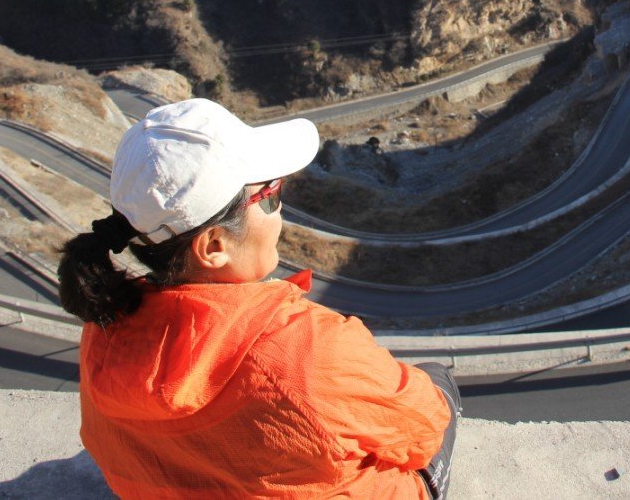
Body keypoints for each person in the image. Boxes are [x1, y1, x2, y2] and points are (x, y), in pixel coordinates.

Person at [58, 98, 459, 498]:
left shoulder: (104, 326)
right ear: (214, 245)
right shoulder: (311, 350)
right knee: (437, 383)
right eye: (269, 194)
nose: (280, 210)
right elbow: (423, 430)